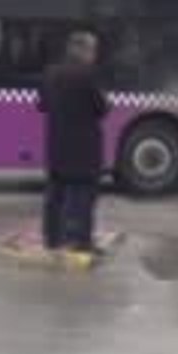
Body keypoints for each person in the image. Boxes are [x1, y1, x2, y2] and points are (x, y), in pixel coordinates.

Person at [38, 30, 111, 257]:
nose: (94, 54)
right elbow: (102, 109)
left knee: (55, 195)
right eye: (92, 50)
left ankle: (52, 239)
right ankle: (81, 242)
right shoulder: (88, 76)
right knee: (84, 198)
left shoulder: (51, 73)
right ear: (82, 50)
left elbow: (41, 105)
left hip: (57, 146)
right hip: (83, 150)